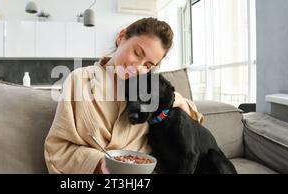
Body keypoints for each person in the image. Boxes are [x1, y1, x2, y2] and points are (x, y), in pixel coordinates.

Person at [44, 17, 203, 174]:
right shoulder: (79, 80)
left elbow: (192, 125)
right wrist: (98, 163)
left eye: (148, 65)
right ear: (121, 37)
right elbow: (58, 148)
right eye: (137, 53)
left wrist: (180, 102)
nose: (138, 67)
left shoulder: (148, 89)